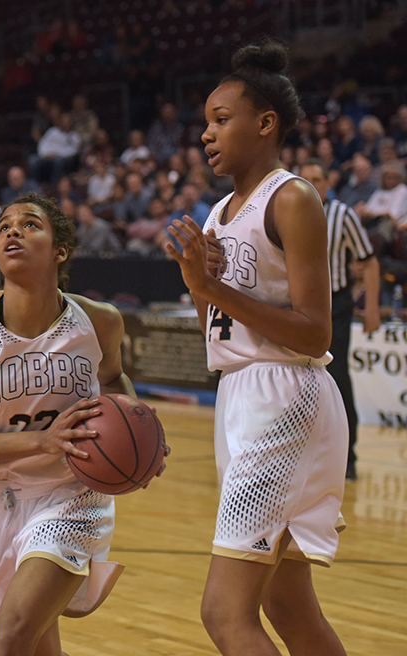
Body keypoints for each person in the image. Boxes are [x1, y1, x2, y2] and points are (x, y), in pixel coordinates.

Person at [166, 41, 348, 656]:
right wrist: (200, 287)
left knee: (224, 613)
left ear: (265, 122)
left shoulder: (291, 197)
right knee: (287, 608)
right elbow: (218, 332)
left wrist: (213, 284)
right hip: (242, 395)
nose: (207, 134)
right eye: (205, 123)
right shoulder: (219, 211)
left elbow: (315, 332)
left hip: (286, 395)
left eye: (221, 119)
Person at [0, 193, 167, 656]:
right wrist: (44, 439)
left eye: (29, 224)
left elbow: (114, 378)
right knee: (38, 644)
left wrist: (142, 430)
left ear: (60, 250)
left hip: (74, 493)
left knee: (13, 632)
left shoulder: (98, 323)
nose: (12, 232)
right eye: (4, 227)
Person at [300, 158, 380, 482]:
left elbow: (369, 261)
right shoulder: (287, 216)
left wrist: (372, 308)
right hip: (298, 311)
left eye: (317, 179)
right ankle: (305, 455)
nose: (312, 185)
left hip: (336, 309)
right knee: (299, 386)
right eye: (305, 180)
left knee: (337, 380)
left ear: (327, 183)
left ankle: (348, 458)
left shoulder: (342, 215)